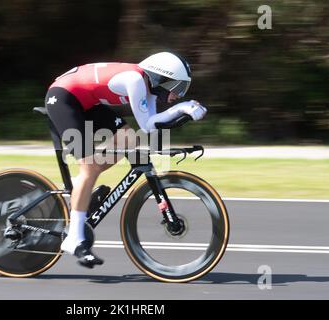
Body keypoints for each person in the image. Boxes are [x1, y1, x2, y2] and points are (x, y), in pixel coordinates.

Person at [45, 52, 207, 268]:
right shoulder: (136, 80)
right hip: (64, 97)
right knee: (90, 167)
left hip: (86, 101)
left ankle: (80, 186)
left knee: (128, 140)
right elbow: (149, 122)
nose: (178, 94)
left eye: (182, 90)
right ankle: (74, 238)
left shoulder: (148, 87)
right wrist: (181, 108)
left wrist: (181, 112)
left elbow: (149, 126)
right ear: (161, 78)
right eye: (177, 87)